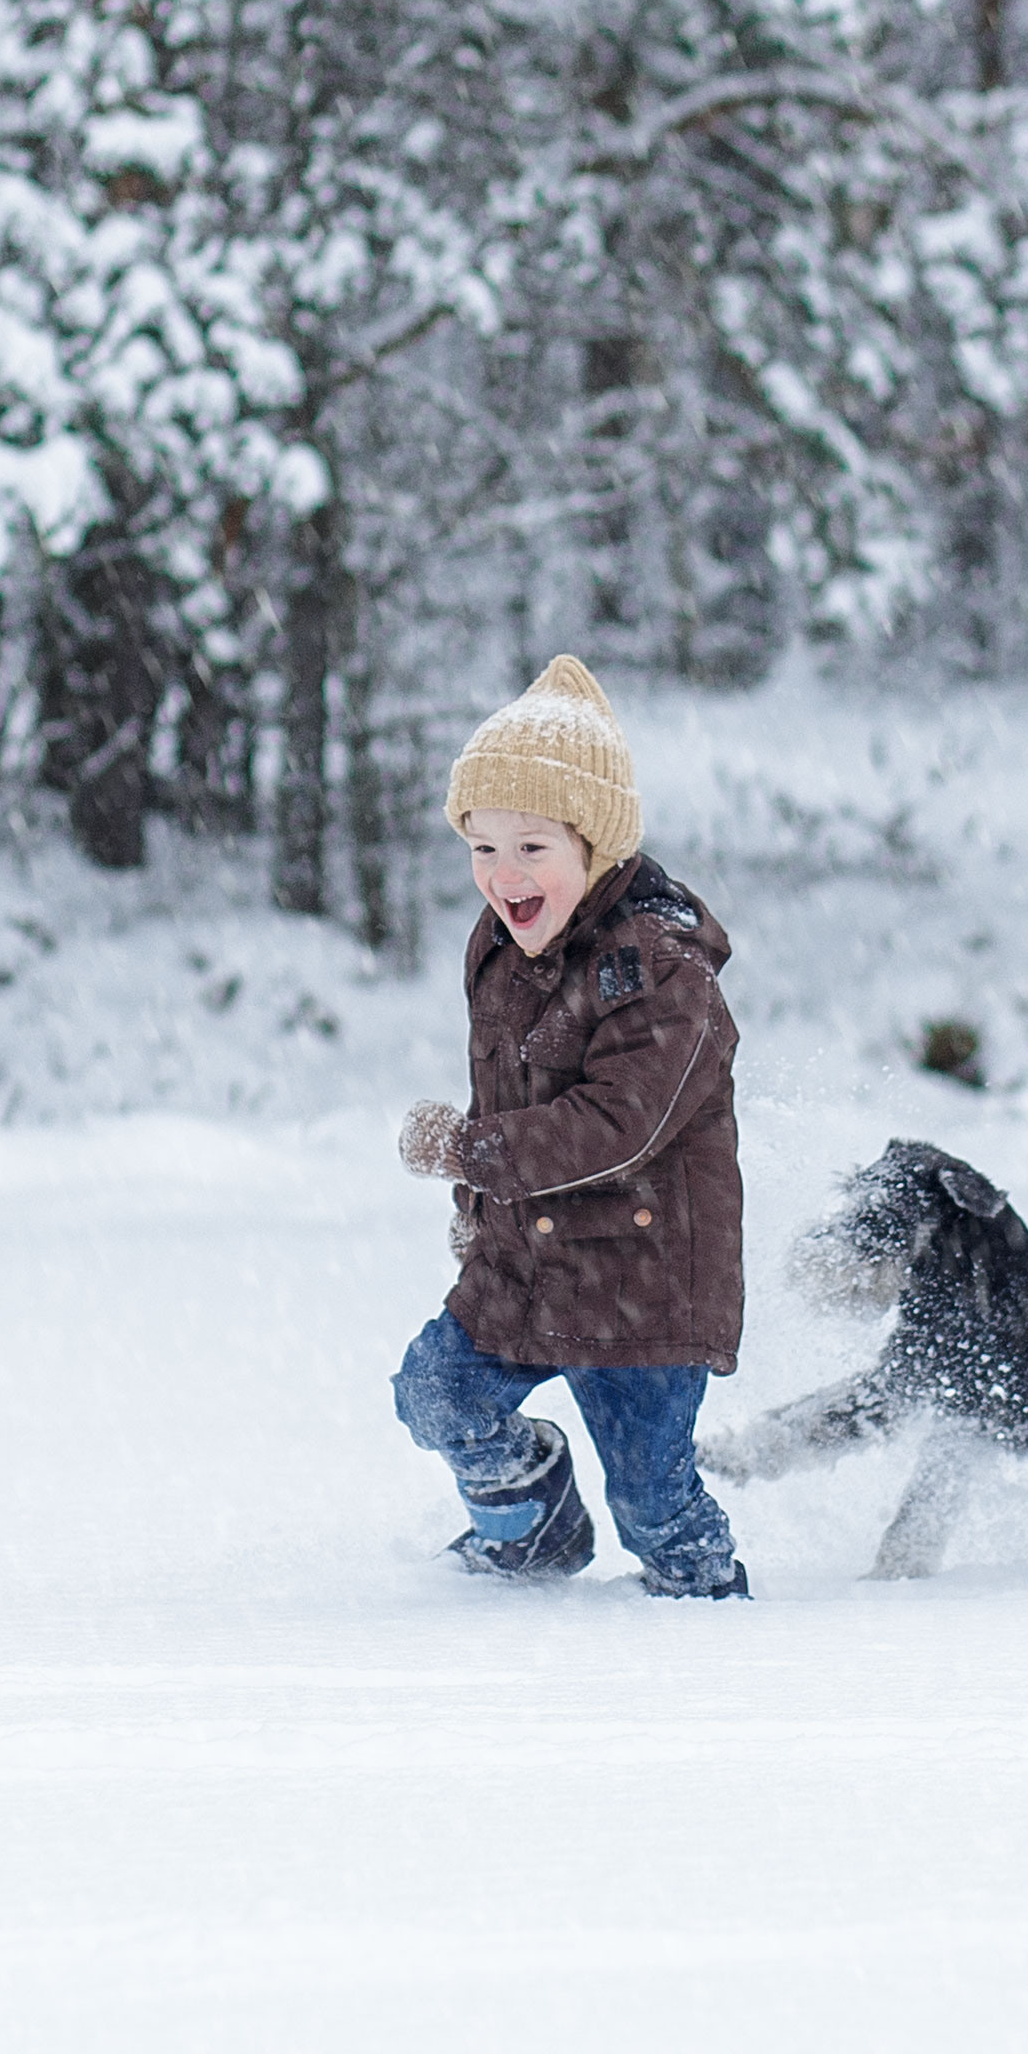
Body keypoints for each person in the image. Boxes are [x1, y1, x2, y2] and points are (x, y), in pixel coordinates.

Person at [392, 654, 749, 1598]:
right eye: (481, 847)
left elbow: (616, 1126)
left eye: (532, 849)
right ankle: (531, 1528)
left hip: (645, 1282)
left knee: (652, 1500)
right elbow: (505, 1089)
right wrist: (478, 1207)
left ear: (599, 847)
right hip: (530, 1269)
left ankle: (711, 1615)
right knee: (438, 1393)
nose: (502, 876)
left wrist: (473, 1154)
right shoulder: (501, 950)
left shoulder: (663, 970)